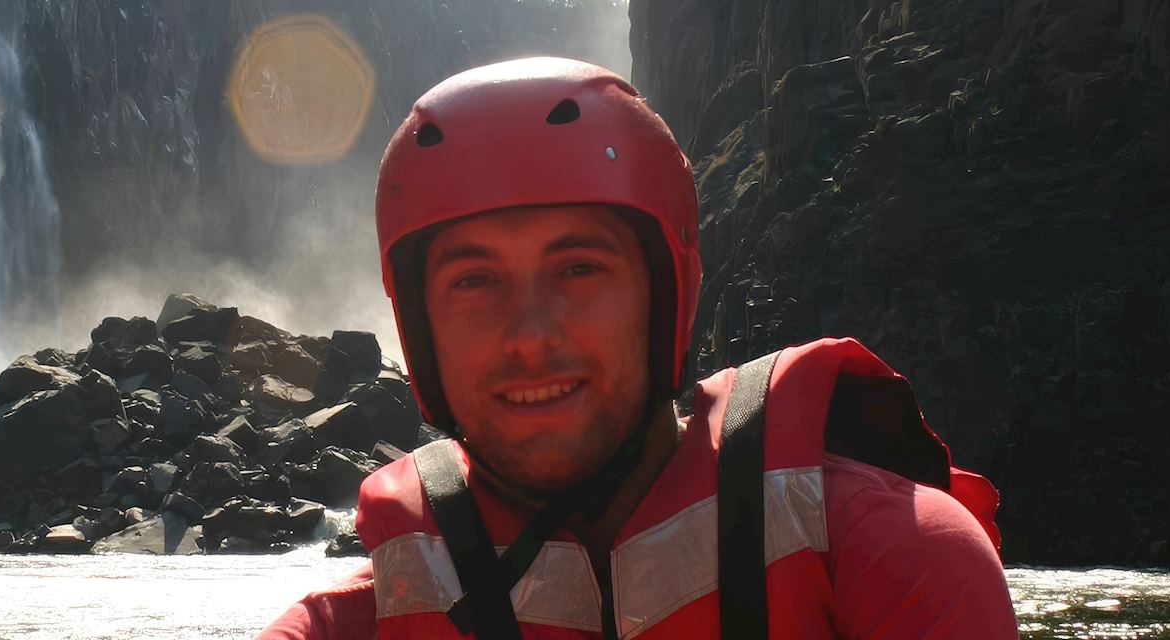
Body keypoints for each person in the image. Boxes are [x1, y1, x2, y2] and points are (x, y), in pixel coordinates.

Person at [258, 57, 1017, 639]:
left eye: (579, 269)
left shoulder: (893, 557)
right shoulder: (341, 627)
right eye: (474, 281)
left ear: (665, 296)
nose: (530, 334)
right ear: (419, 330)